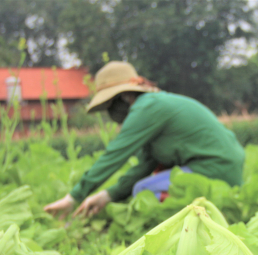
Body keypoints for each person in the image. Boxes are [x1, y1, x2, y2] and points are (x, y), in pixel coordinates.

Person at [44, 61, 245, 219]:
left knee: (143, 190)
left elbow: (115, 154)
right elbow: (144, 166)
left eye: (109, 105)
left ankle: (176, 231)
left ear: (123, 97)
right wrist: (107, 195)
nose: (110, 113)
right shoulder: (153, 108)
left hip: (215, 167)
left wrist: (74, 196)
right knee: (145, 182)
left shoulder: (147, 108)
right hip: (222, 167)